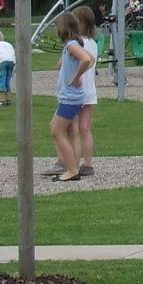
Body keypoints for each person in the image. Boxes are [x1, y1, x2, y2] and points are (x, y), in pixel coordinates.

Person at [47, 12, 93, 183]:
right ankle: (71, 167)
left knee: (57, 131)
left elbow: (87, 59)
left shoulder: (72, 45)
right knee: (59, 129)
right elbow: (91, 59)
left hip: (70, 98)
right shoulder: (70, 46)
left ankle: (72, 169)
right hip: (69, 97)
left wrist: (76, 77)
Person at [74, 5, 100, 176]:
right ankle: (88, 163)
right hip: (90, 89)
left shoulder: (78, 43)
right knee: (85, 128)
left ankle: (72, 163)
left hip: (78, 89)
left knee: (74, 129)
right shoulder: (93, 43)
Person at [0, 30, 16, 108]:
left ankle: (2, 101)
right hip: (12, 61)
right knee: (7, 80)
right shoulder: (9, 44)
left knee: (1, 79)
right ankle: (8, 100)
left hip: (2, 61)